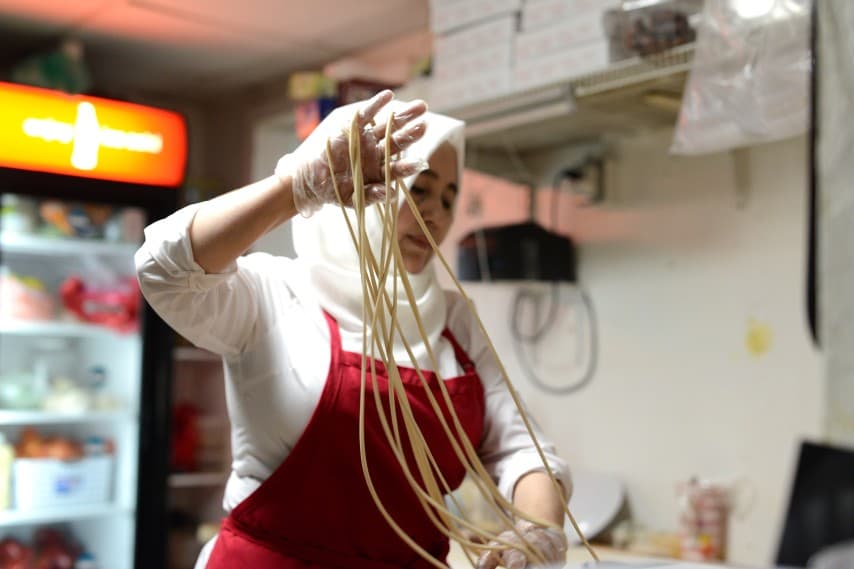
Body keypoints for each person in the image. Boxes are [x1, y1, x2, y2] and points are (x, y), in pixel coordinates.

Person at [136, 90, 571, 569]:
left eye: (449, 199)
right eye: (418, 188)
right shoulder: (276, 293)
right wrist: (295, 187)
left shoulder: (453, 322)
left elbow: (521, 449)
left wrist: (537, 529)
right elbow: (164, 271)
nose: (437, 216)